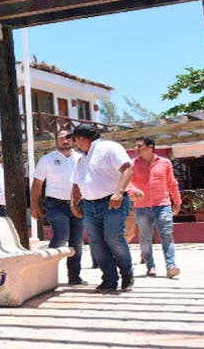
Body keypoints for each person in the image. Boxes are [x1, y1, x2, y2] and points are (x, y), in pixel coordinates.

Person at [69, 124, 134, 293]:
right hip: (89, 205)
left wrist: (119, 193)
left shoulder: (109, 147)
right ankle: (109, 279)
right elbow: (76, 184)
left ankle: (127, 274)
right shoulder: (81, 159)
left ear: (82, 139)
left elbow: (127, 169)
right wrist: (73, 203)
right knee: (97, 243)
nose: (75, 144)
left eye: (75, 140)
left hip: (112, 202)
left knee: (113, 238)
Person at [31, 130, 85, 285]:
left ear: (73, 140)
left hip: (78, 204)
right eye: (61, 138)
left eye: (68, 138)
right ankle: (46, 273)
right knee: (61, 236)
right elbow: (37, 184)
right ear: (56, 141)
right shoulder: (47, 159)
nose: (65, 141)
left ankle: (74, 277)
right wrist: (34, 205)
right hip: (55, 205)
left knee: (77, 242)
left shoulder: (81, 158)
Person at [129, 136, 182, 278]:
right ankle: (150, 265)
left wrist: (177, 201)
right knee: (145, 238)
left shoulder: (165, 163)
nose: (136, 149)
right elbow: (127, 182)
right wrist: (133, 190)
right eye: (135, 146)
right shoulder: (132, 164)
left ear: (150, 147)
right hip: (141, 207)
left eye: (139, 146)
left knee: (167, 235)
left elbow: (172, 183)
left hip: (162, 205)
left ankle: (171, 266)